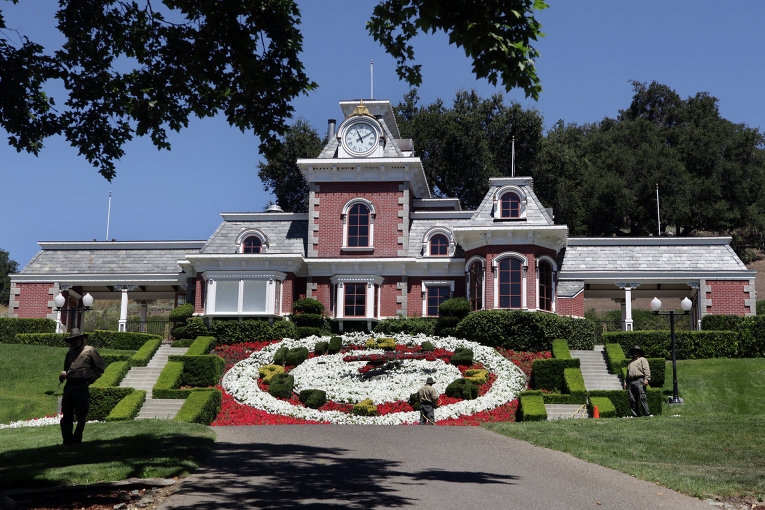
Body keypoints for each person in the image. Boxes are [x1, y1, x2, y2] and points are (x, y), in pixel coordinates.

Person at [59, 328, 105, 445]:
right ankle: (67, 440)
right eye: (72, 340)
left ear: (81, 339)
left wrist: (91, 379)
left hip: (81, 385)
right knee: (66, 413)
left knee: (81, 414)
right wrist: (63, 374)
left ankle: (77, 439)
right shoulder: (70, 353)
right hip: (69, 386)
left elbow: (100, 368)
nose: (74, 342)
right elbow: (66, 369)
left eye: (76, 339)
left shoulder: (90, 350)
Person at [624, 345, 652, 417]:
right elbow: (627, 374)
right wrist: (626, 382)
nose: (635, 353)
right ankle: (635, 415)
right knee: (632, 399)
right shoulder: (630, 362)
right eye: (634, 351)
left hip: (639, 380)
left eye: (636, 351)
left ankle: (646, 414)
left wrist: (646, 379)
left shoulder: (642, 359)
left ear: (639, 352)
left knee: (642, 397)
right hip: (631, 382)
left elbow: (646, 370)